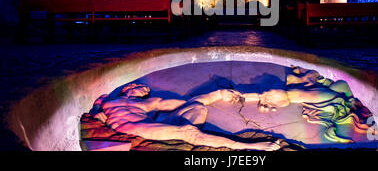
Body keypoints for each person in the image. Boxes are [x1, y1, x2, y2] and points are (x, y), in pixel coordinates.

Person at [91, 83, 280, 151]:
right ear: (128, 88)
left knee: (197, 107)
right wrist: (97, 114)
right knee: (188, 131)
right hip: (132, 128)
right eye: (142, 87)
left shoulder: (150, 102)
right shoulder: (110, 99)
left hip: (150, 126)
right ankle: (247, 146)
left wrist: (216, 95)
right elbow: (99, 102)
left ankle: (193, 135)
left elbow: (185, 104)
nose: (146, 90)